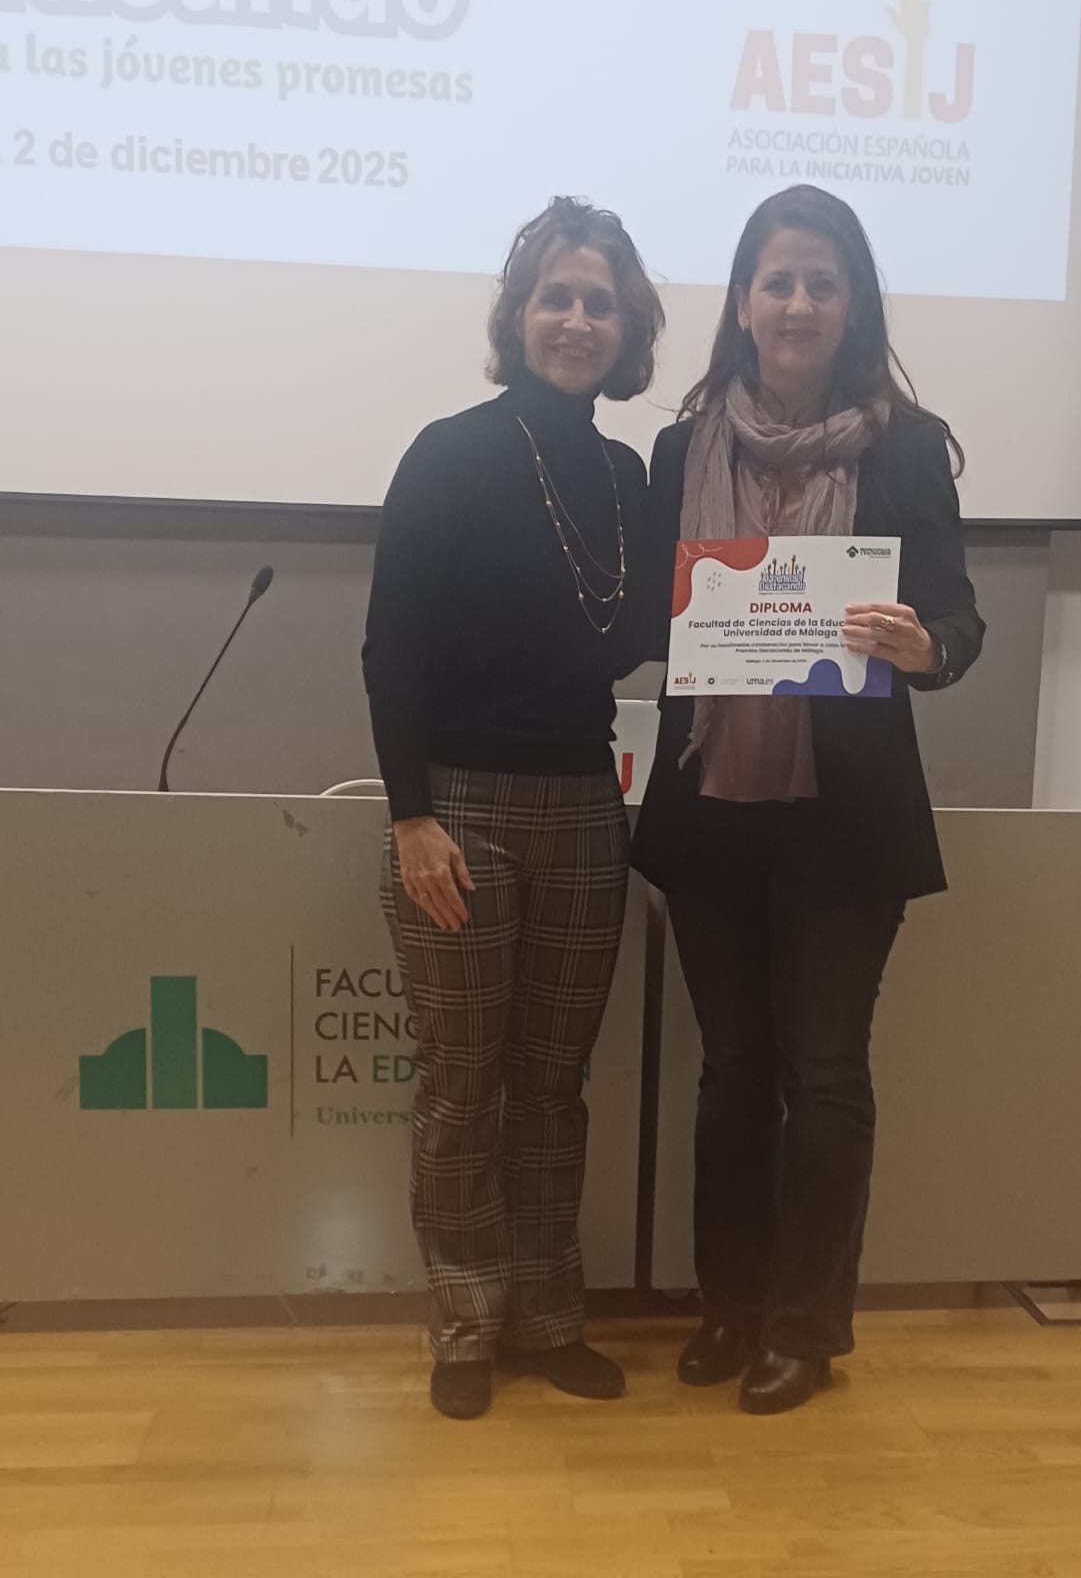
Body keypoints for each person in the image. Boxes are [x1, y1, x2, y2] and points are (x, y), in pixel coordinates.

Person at [632, 185, 985, 1415]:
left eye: (819, 283)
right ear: (742, 302)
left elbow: (957, 618)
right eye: (775, 281)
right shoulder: (680, 452)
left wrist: (922, 645)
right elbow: (648, 622)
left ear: (851, 304)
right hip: (711, 807)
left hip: (845, 818)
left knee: (823, 1074)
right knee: (732, 1071)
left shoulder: (906, 447)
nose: (796, 303)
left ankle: (803, 1327)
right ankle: (728, 1306)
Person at [362, 198, 664, 1421]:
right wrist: (410, 816)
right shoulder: (448, 453)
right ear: (518, 316)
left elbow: (634, 636)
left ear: (626, 328)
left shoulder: (626, 476)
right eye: (556, 298)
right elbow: (390, 649)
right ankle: (464, 1322)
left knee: (551, 1084)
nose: (576, 320)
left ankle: (548, 1316)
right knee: (461, 1082)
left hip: (586, 806)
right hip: (458, 813)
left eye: (599, 302)